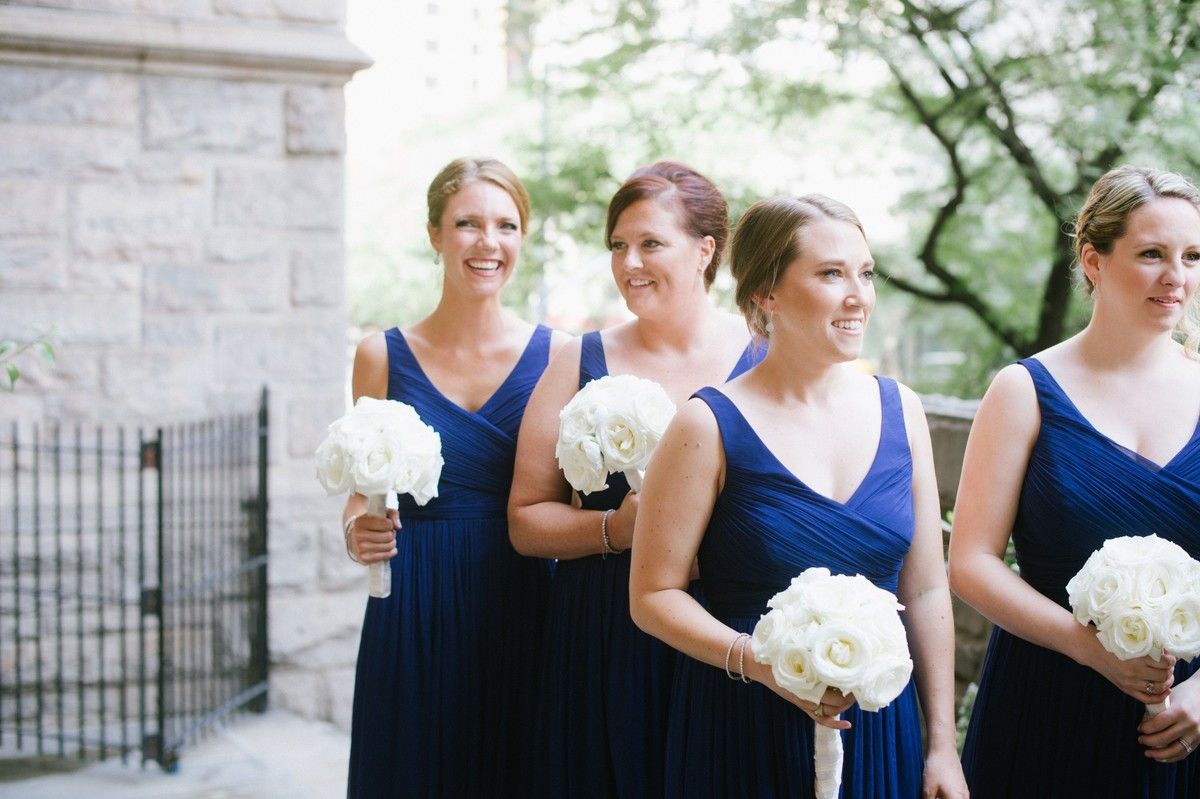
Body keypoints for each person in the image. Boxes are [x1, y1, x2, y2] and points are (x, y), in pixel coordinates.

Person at [629, 194, 967, 798]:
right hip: (742, 722)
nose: (858, 296)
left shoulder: (902, 409)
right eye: (831, 274)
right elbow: (653, 595)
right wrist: (758, 661)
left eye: (866, 273)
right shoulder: (707, 425)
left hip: (877, 724)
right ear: (767, 292)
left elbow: (924, 588)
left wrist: (942, 745)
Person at [508, 161, 762, 797]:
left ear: (705, 250)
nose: (630, 263)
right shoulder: (580, 359)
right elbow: (525, 520)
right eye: (618, 245)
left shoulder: (766, 355)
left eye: (651, 243)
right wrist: (614, 529)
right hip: (606, 630)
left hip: (731, 629)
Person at [948, 165, 1200, 796]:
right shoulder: (1023, 391)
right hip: (1046, 702)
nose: (1177, 276)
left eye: (1192, 256)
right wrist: (1088, 647)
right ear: (1094, 260)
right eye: (1152, 254)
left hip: (1184, 716)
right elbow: (971, 562)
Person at [342, 157, 567, 798]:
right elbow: (361, 492)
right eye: (468, 223)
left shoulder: (560, 354)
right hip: (416, 600)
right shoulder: (381, 355)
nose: (488, 242)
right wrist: (356, 530)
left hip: (526, 598)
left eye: (506, 226)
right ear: (435, 235)